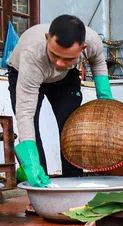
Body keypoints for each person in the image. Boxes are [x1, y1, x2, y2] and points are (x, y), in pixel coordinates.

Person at [8, 14, 113, 187]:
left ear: (83, 48)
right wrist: (31, 164)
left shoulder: (92, 41)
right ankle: (39, 183)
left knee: (70, 126)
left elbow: (98, 62)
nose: (59, 63)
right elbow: (25, 113)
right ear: (47, 39)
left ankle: (74, 183)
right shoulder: (32, 54)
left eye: (68, 58)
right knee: (31, 126)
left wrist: (105, 97)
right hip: (25, 72)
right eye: (54, 54)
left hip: (65, 80)